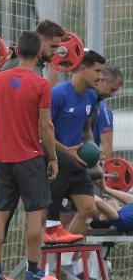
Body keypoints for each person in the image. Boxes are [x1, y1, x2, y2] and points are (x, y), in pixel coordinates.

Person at [0, 19, 65, 280]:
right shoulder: (40, 84)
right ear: (38, 52)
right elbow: (46, 126)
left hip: (2, 159)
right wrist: (53, 157)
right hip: (29, 159)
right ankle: (32, 270)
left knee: (0, 214)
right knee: (35, 214)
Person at [44, 50, 106, 243]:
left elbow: (86, 128)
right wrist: (65, 151)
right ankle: (44, 266)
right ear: (81, 69)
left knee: (89, 209)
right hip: (55, 161)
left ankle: (69, 262)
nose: (101, 76)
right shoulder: (57, 94)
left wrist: (94, 151)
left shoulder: (91, 96)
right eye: (96, 71)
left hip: (76, 162)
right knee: (50, 222)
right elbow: (42, 132)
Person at [92, 66, 123, 159]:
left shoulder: (104, 111)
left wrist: (97, 168)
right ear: (102, 80)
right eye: (112, 89)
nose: (113, 95)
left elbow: (108, 147)